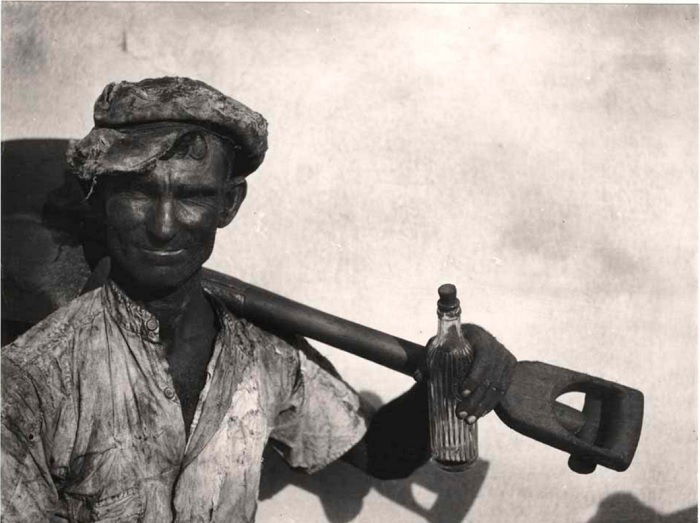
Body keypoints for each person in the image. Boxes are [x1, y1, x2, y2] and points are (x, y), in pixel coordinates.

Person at [1, 77, 516, 522]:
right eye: (139, 192)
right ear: (101, 198)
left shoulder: (266, 353)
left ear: (228, 204)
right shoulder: (30, 378)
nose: (163, 226)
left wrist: (455, 368)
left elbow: (381, 453)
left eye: (193, 196)